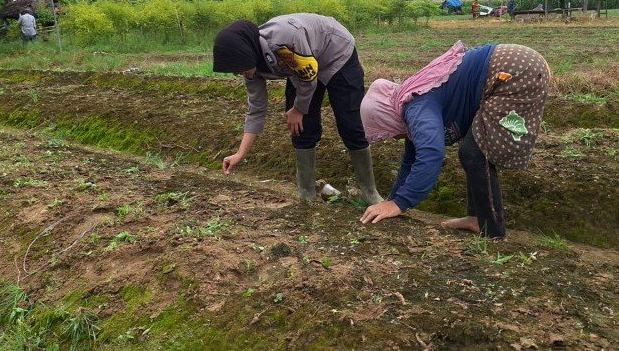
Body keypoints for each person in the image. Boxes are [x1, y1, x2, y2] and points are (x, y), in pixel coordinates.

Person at [358, 41, 550, 238]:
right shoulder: (406, 104)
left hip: (516, 71)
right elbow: (411, 158)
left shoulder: (416, 107)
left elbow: (431, 154)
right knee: (473, 150)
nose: (395, 138)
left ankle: (492, 229)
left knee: (474, 153)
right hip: (510, 67)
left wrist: (400, 203)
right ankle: (477, 218)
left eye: (388, 133)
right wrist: (392, 200)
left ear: (386, 118)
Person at [213, 13, 384, 205]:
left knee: (350, 123)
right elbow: (256, 109)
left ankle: (369, 192)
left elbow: (309, 78)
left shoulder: (283, 41)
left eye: (238, 68)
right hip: (302, 69)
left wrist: (298, 109)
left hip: (335, 54)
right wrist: (240, 154)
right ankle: (306, 193)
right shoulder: (250, 66)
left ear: (247, 54)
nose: (237, 73)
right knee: (301, 128)